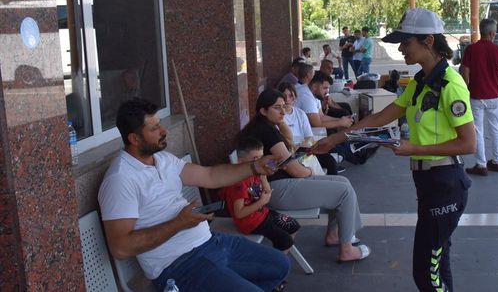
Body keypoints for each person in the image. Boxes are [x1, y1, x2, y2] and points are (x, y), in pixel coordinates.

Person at [312, 7, 475, 292]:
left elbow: (468, 143)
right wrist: (337, 139)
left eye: (406, 42)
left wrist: (414, 148)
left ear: (428, 41)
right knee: (436, 263)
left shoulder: (450, 85)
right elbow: (380, 117)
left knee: (426, 272)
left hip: (444, 183)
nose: (401, 48)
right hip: (429, 183)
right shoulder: (422, 82)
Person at [98, 98, 289, 292]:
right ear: (134, 139)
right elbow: (120, 247)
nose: (164, 131)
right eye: (155, 128)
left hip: (210, 242)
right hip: (178, 266)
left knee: (280, 265)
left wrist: (254, 167)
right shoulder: (120, 179)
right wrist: (179, 223)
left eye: (161, 123)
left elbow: (210, 176)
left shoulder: (162, 159)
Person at [238, 89, 370, 262]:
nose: (283, 111)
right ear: (263, 110)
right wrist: (310, 172)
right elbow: (293, 169)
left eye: (283, 107)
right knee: (343, 192)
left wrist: (283, 125)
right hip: (274, 190)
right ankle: (346, 249)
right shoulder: (266, 131)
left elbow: (289, 149)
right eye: (277, 108)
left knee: (343, 181)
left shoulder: (265, 126)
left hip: (276, 184)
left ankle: (334, 234)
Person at [219, 137, 301, 252]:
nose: (259, 161)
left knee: (293, 225)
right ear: (240, 161)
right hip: (250, 223)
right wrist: (262, 201)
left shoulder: (255, 171)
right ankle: (277, 263)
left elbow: (266, 190)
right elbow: (239, 213)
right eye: (255, 158)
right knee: (285, 241)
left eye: (261, 157)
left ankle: (281, 254)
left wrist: (263, 175)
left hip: (262, 213)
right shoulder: (238, 183)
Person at [460, 18, 498, 176]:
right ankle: (496, 161)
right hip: (494, 96)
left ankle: (481, 165)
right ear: (492, 33)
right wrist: (495, 71)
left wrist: (467, 87)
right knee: (496, 129)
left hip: (476, 96)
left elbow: (464, 71)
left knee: (478, 130)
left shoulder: (471, 49)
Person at [277, 82, 344, 175]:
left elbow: (309, 136)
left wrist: (306, 148)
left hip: (303, 150)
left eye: (290, 96)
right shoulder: (278, 116)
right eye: (284, 97)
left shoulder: (300, 113)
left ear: (295, 97)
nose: (287, 100)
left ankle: (332, 186)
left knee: (330, 161)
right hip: (288, 153)